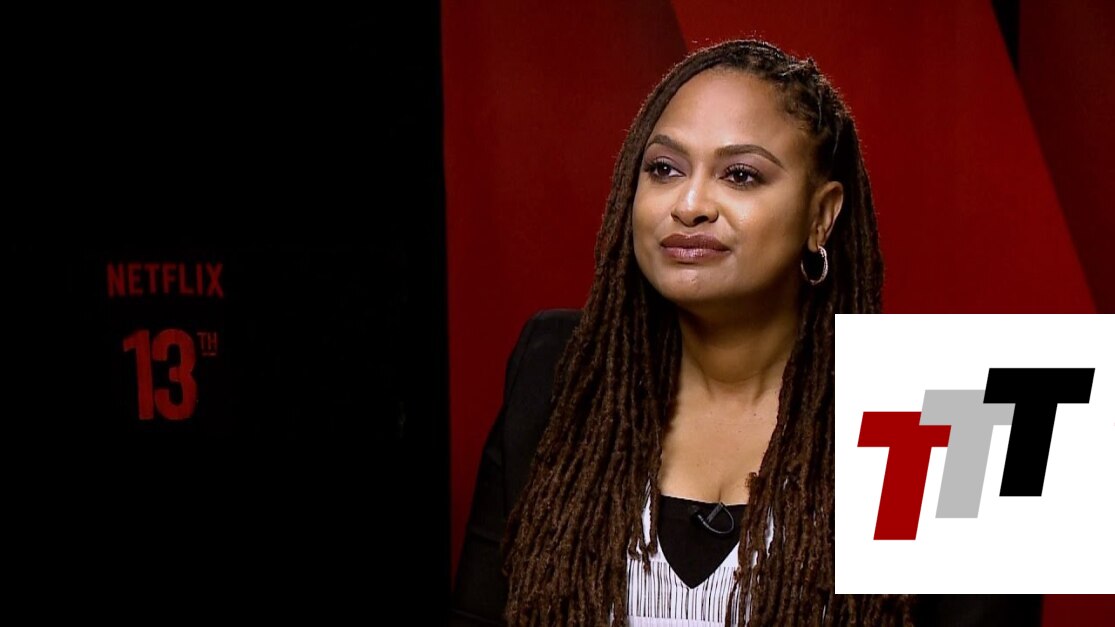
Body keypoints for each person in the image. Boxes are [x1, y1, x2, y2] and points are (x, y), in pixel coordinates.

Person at [451, 39, 1042, 626]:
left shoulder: (970, 414)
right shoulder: (560, 371)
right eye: (664, 169)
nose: (689, 204)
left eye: (740, 174)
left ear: (821, 216)